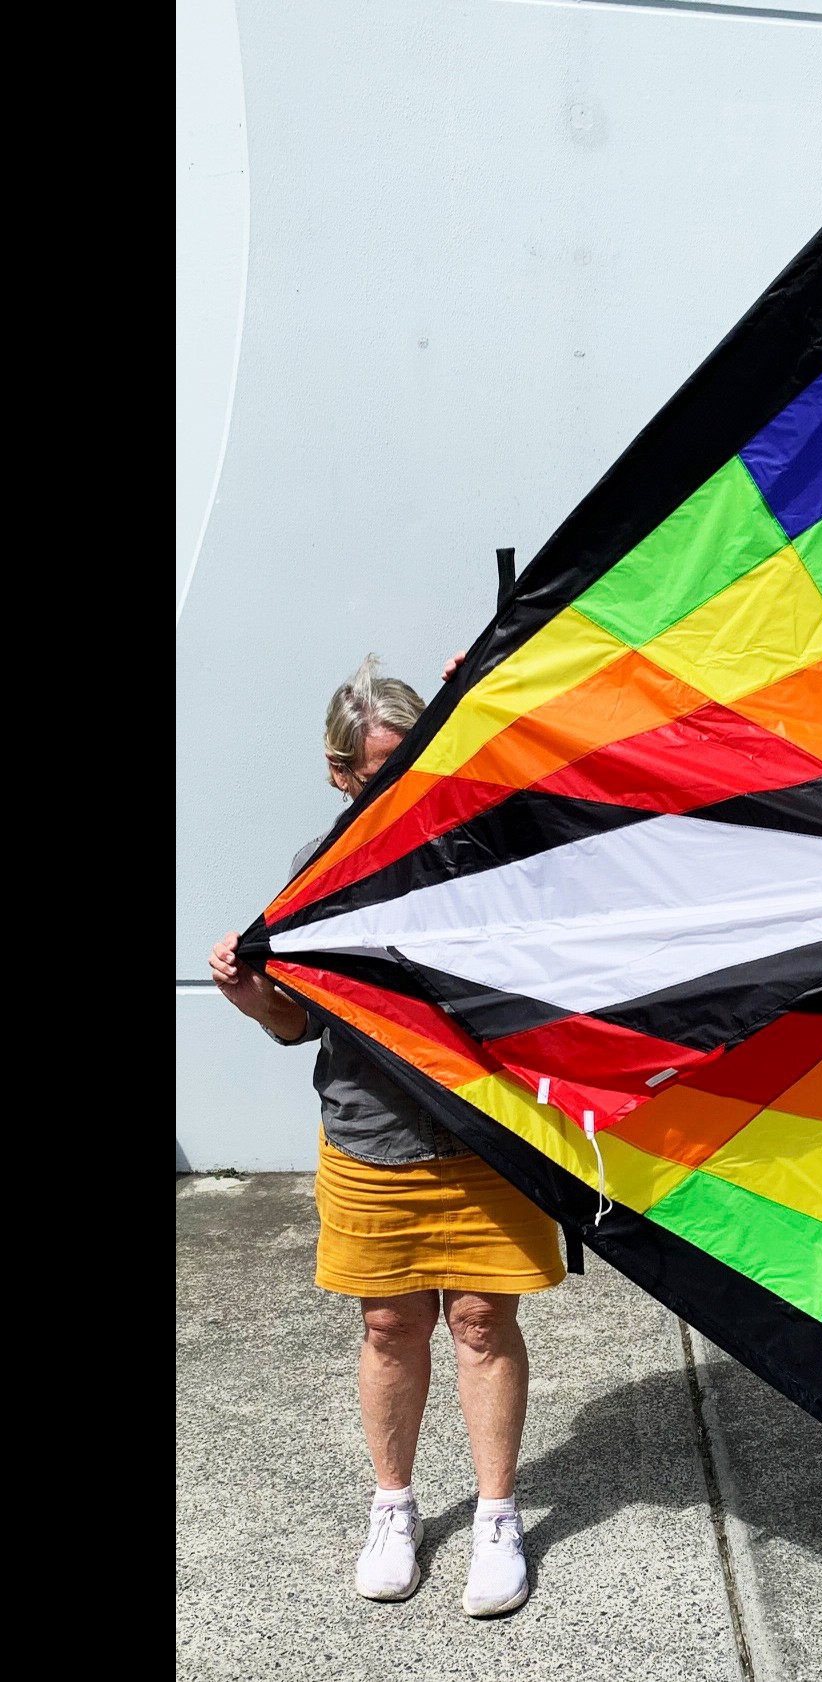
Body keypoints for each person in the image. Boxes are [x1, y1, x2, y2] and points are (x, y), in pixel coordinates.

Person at [208, 651, 564, 1619]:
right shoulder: (316, 872)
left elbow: (570, 815)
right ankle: (395, 1506)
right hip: (372, 1136)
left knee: (485, 1322)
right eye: (378, 774)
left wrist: (499, 695)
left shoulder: (488, 841)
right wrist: (251, 997)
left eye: (418, 765)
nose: (400, 789)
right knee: (388, 1323)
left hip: (490, 1133)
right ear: (336, 774)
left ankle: (496, 1513)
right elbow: (297, 1022)